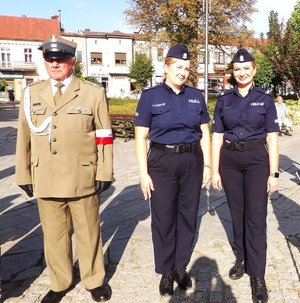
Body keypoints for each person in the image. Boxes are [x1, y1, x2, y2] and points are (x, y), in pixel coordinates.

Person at [16, 35, 113, 303]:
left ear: (72, 61)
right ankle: (60, 282)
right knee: (54, 235)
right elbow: (23, 136)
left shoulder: (93, 93)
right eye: (50, 59)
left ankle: (94, 280)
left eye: (60, 59)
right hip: (46, 176)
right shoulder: (31, 94)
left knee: (89, 231)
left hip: (82, 176)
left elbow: (104, 136)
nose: (55, 64)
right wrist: (23, 173)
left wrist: (104, 171)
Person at [134, 44, 211, 296]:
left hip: (191, 161)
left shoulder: (196, 96)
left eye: (187, 68)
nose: (183, 72)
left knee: (188, 216)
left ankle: (180, 266)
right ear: (166, 67)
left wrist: (208, 164)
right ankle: (165, 271)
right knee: (164, 217)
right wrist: (143, 173)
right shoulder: (150, 96)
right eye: (179, 67)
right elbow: (140, 136)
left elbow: (205, 133)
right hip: (162, 162)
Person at [211, 48, 279, 303]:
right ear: (233, 71)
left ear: (253, 70)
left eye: (246, 69)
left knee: (256, 217)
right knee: (237, 215)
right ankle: (242, 258)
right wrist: (214, 169)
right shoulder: (224, 100)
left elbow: (272, 139)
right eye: (237, 69)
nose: (241, 73)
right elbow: (216, 136)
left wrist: (274, 173)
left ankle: (258, 275)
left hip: (256, 161)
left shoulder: (266, 99)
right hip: (229, 162)